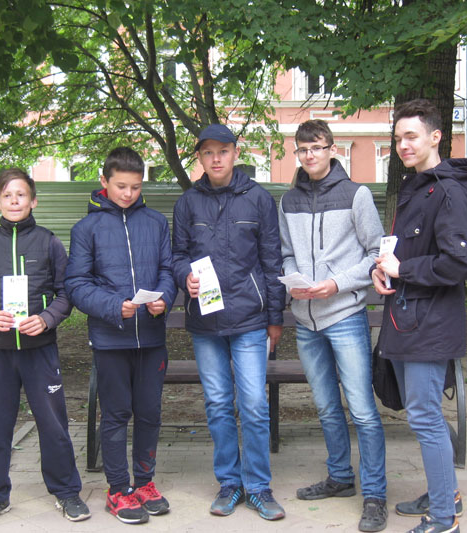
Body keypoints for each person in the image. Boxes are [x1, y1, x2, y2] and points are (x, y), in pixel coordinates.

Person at [371, 99, 467, 533]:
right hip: (405, 320)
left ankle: (443, 519)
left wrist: (405, 270)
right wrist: (382, 270)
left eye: (412, 136)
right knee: (421, 415)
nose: (403, 145)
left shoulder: (449, 192)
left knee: (425, 417)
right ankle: (445, 492)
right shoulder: (416, 189)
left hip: (430, 326)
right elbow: (404, 253)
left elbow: (460, 263)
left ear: (436, 137)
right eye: (398, 138)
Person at [0, 169, 89, 527]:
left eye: (21, 195)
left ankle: (66, 492)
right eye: (7, 195)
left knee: (54, 425)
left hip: (40, 352)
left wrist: (46, 319)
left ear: (33, 201)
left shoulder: (48, 243)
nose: (14, 201)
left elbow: (66, 294)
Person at [171, 124, 286, 521]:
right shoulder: (187, 203)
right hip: (205, 323)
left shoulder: (259, 199)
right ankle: (229, 483)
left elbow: (272, 262)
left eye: (223, 150)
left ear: (236, 153)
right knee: (219, 404)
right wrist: (184, 275)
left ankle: (259, 487)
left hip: (250, 320)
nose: (216, 158)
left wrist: (275, 318)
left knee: (253, 404)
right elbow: (176, 256)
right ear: (200, 158)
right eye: (208, 152)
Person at [279, 119, 388, 532]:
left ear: (331, 149)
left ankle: (375, 494)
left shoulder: (356, 194)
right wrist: (296, 281)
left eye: (317, 147)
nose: (310, 155)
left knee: (361, 410)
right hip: (305, 320)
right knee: (326, 407)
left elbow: (376, 254)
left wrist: (335, 284)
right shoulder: (288, 201)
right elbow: (286, 253)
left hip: (344, 316)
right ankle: (340, 477)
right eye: (303, 149)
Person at [64, 147, 177, 525]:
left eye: (135, 187)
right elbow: (76, 284)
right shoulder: (86, 229)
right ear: (104, 182)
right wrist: (114, 306)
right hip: (110, 338)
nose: (128, 194)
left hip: (152, 337)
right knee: (115, 415)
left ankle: (144, 483)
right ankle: (117, 490)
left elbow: (167, 270)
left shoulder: (156, 223)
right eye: (121, 186)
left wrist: (164, 299)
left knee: (149, 412)